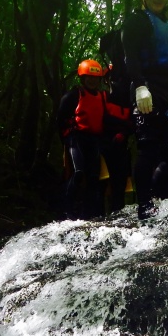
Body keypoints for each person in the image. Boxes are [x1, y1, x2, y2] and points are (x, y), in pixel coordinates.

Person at [123, 0, 168, 218]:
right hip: (146, 89)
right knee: (149, 148)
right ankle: (144, 206)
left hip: (166, 93)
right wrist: (140, 86)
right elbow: (131, 56)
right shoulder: (137, 21)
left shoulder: (167, 26)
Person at [55, 58, 111, 219]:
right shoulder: (74, 94)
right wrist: (65, 139)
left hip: (94, 140)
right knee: (78, 173)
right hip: (76, 138)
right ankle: (66, 211)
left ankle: (89, 213)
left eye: (95, 78)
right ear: (83, 78)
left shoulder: (102, 97)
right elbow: (60, 118)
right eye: (89, 78)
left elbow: (106, 119)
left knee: (94, 178)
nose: (92, 81)